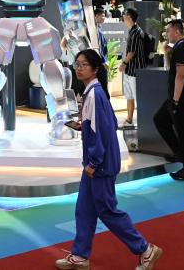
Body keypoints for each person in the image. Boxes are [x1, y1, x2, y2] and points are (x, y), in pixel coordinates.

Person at [56, 48, 162, 270]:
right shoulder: (93, 93)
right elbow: (109, 124)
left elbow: (104, 131)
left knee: (107, 210)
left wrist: (94, 162)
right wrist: (83, 127)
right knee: (84, 209)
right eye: (77, 64)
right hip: (95, 163)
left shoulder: (95, 94)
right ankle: (80, 255)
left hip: (100, 165)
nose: (78, 68)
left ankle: (145, 249)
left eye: (84, 64)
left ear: (95, 69)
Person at [153, 19, 184, 181]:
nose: (167, 34)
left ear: (177, 32)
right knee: (160, 119)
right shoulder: (179, 47)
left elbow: (180, 76)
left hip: (180, 99)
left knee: (183, 132)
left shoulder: (182, 48)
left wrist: (175, 101)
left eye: (169, 30)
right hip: (178, 98)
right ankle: (181, 155)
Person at [118, 8, 145, 128]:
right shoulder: (132, 31)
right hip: (129, 71)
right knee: (129, 96)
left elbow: (132, 51)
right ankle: (129, 120)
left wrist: (124, 63)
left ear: (128, 17)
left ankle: (142, 123)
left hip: (135, 71)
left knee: (138, 98)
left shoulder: (136, 31)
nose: (122, 18)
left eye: (124, 15)